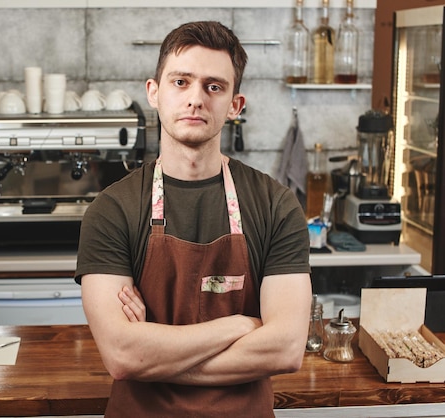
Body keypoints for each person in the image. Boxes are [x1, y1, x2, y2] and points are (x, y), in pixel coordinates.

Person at [75, 21, 312, 417]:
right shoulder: (112, 209)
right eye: (181, 82)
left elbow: (286, 349)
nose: (196, 99)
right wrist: (241, 325)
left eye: (214, 86)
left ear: (235, 105)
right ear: (155, 93)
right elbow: (121, 355)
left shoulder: (275, 205)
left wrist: (155, 356)